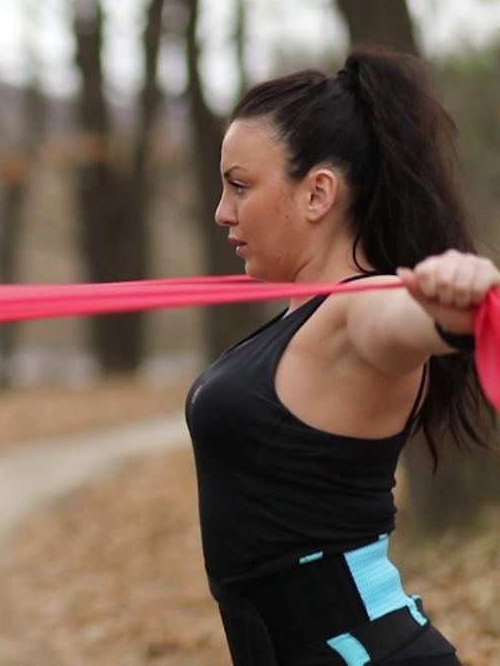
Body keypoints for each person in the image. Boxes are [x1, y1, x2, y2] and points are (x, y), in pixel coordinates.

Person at [185, 45, 500, 666]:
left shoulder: (362, 310)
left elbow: (413, 320)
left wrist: (463, 294)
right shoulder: (307, 310)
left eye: (240, 187)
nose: (223, 213)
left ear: (317, 193)